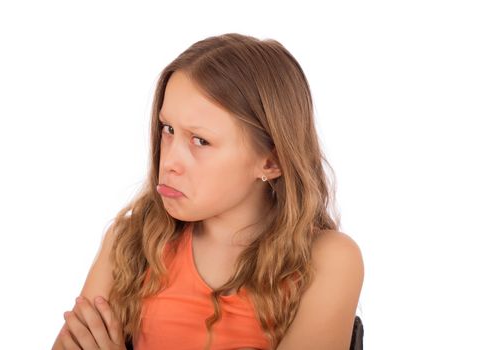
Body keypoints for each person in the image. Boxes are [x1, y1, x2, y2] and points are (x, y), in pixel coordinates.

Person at [52, 32, 364, 350]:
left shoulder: (328, 260)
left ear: (271, 161)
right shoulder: (130, 242)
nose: (169, 161)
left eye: (200, 141)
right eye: (168, 129)